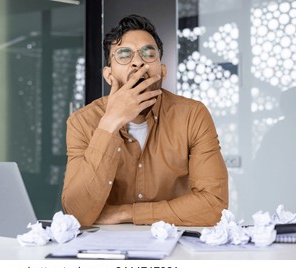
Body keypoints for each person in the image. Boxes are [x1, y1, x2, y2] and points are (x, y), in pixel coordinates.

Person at [62, 14, 228, 226]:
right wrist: (110, 123)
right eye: (124, 55)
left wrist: (126, 214)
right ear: (109, 76)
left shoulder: (192, 115)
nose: (138, 62)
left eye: (149, 54)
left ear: (163, 71)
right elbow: (76, 214)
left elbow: (215, 205)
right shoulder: (81, 123)